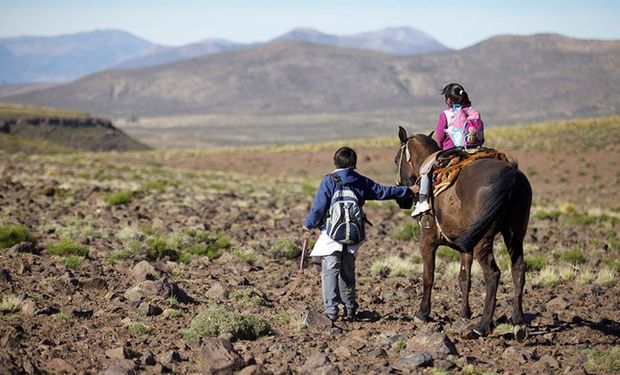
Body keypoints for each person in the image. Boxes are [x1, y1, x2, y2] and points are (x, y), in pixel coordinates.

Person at [303, 146, 415, 322]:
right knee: (348, 272)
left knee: (330, 270)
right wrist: (406, 190)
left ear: (336, 161)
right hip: (353, 235)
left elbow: (318, 208)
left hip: (332, 236)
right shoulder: (360, 181)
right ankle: (349, 309)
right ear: (354, 163)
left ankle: (331, 310)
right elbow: (383, 191)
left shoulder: (329, 181)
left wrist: (308, 225)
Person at [411, 83, 484, 218]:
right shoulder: (473, 112)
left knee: (425, 170)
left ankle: (422, 202)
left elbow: (439, 136)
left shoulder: (446, 114)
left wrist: (440, 147)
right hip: (475, 149)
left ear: (448, 100)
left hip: (452, 151)